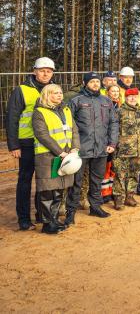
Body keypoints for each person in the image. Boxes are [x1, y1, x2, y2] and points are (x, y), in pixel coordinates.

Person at [6, 56, 55, 230]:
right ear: (34, 71)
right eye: (42, 70)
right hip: (26, 143)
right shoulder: (22, 90)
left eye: (49, 71)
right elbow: (12, 118)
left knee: (44, 181)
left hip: (45, 144)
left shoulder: (52, 90)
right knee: (25, 180)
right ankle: (24, 219)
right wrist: (14, 145)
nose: (45, 74)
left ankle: (41, 214)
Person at [64, 72, 118, 224]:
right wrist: (73, 146)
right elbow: (69, 125)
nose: (95, 84)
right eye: (92, 81)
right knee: (77, 182)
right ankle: (71, 212)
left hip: (101, 148)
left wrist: (112, 143)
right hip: (81, 149)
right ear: (85, 83)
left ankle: (95, 207)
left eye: (97, 81)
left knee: (97, 180)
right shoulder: (76, 101)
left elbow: (114, 123)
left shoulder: (106, 101)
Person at [31, 84, 80, 234]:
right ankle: (46, 223)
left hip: (66, 155)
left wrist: (75, 147)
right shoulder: (39, 112)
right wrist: (60, 152)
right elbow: (42, 135)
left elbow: (74, 130)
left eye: (60, 93)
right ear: (47, 95)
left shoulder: (65, 109)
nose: (59, 95)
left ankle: (54, 219)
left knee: (59, 188)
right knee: (47, 190)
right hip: (48, 156)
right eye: (55, 93)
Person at [113, 88, 140, 210]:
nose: (132, 98)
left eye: (134, 96)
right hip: (122, 150)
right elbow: (114, 130)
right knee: (120, 175)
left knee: (134, 174)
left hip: (138, 149)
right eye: (130, 96)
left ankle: (130, 196)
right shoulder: (119, 111)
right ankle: (119, 199)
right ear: (126, 98)